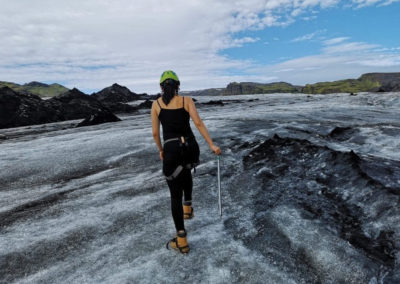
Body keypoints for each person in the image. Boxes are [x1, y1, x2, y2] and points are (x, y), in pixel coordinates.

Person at [151, 70, 221, 254]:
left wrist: (161, 149)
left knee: (175, 194)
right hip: (190, 147)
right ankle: (188, 207)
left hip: (172, 150)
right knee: (187, 170)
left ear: (161, 87)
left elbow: (155, 133)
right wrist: (211, 145)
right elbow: (198, 123)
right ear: (178, 86)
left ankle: (181, 240)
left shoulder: (156, 105)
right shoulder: (186, 101)